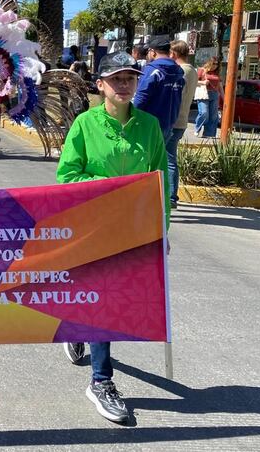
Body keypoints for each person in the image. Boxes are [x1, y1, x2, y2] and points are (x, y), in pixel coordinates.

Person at [57, 51, 170, 423]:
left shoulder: (150, 126)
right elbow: (67, 177)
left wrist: (160, 229)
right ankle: (101, 381)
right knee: (104, 301)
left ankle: (79, 328)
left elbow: (159, 181)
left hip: (133, 231)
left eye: (130, 78)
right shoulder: (84, 125)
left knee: (113, 299)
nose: (124, 85)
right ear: (100, 85)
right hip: (93, 229)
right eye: (116, 79)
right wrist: (111, 188)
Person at [133, 36, 184, 141]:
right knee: (160, 156)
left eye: (148, 51)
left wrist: (130, 117)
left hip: (149, 124)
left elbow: (141, 98)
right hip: (169, 123)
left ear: (153, 52)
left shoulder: (152, 70)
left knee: (144, 156)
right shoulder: (178, 72)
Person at [168, 40, 198, 208]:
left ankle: (171, 195)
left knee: (169, 158)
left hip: (174, 120)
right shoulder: (192, 70)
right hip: (182, 119)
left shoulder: (181, 71)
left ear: (174, 53)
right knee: (170, 156)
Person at [195, 56, 223, 138]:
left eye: (217, 64)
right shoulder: (201, 70)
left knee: (213, 116)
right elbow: (194, 82)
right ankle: (197, 128)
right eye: (214, 63)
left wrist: (224, 98)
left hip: (214, 94)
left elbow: (220, 87)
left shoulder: (217, 73)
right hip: (203, 94)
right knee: (204, 113)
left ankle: (209, 133)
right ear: (209, 63)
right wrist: (203, 82)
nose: (215, 65)